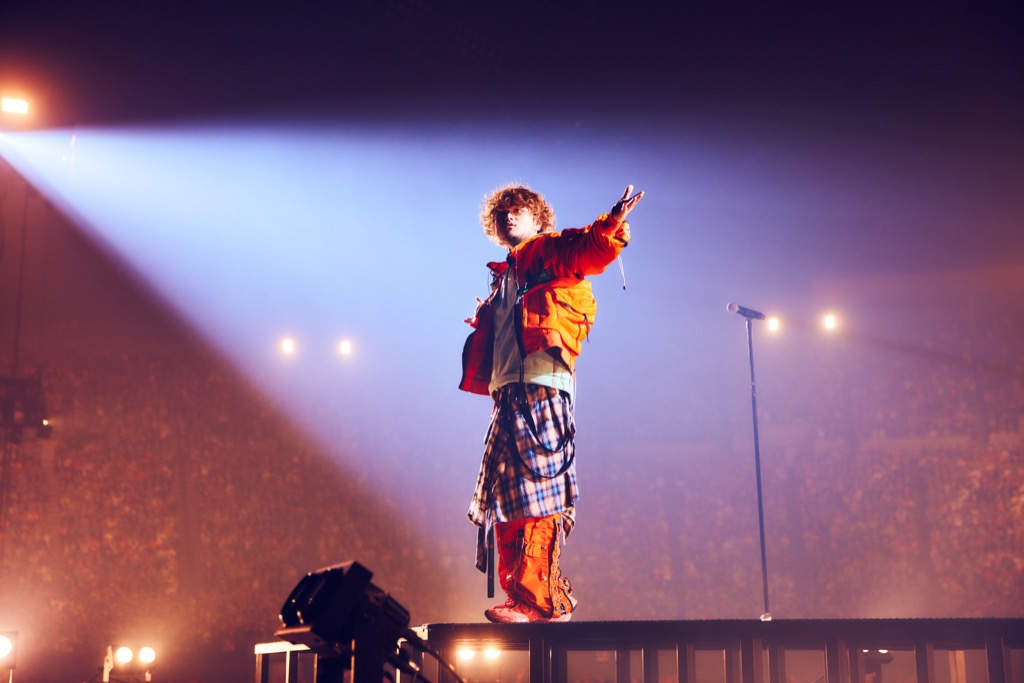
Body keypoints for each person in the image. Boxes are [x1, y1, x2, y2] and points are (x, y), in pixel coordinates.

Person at [460, 183, 644, 623]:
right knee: (508, 498)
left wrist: (611, 223)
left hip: (542, 385)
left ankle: (539, 599)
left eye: (518, 210)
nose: (508, 216)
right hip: (509, 394)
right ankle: (526, 597)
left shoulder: (547, 251)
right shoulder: (505, 276)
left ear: (537, 218)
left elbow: (588, 249)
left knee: (537, 494)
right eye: (501, 213)